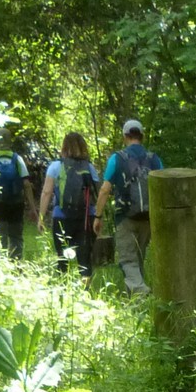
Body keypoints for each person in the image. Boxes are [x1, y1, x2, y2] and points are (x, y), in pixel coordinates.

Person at [91, 119, 164, 293]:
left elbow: (105, 190)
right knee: (138, 257)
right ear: (142, 136)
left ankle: (140, 291)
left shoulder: (118, 158)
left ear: (125, 136)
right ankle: (136, 299)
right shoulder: (154, 159)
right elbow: (164, 187)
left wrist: (98, 216)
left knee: (127, 259)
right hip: (148, 216)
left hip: (125, 216)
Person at [44, 132, 100, 279]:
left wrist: (41, 217)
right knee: (84, 259)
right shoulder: (89, 167)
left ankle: (64, 287)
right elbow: (97, 193)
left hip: (61, 216)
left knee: (62, 257)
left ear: (64, 147)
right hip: (86, 217)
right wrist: (99, 217)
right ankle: (86, 289)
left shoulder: (56, 166)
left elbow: (47, 192)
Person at [0, 131, 36, 260]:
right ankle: (16, 263)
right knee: (16, 236)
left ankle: (0, 262)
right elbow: (26, 184)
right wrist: (32, 208)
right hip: (16, 203)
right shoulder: (17, 158)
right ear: (10, 142)